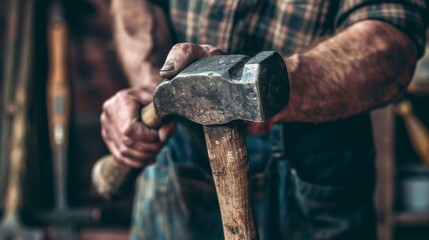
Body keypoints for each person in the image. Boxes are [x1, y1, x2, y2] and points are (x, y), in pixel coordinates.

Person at [100, 0, 427, 239]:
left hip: (316, 160)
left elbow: (392, 39)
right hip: (179, 143)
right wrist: (151, 83)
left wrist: (269, 86)